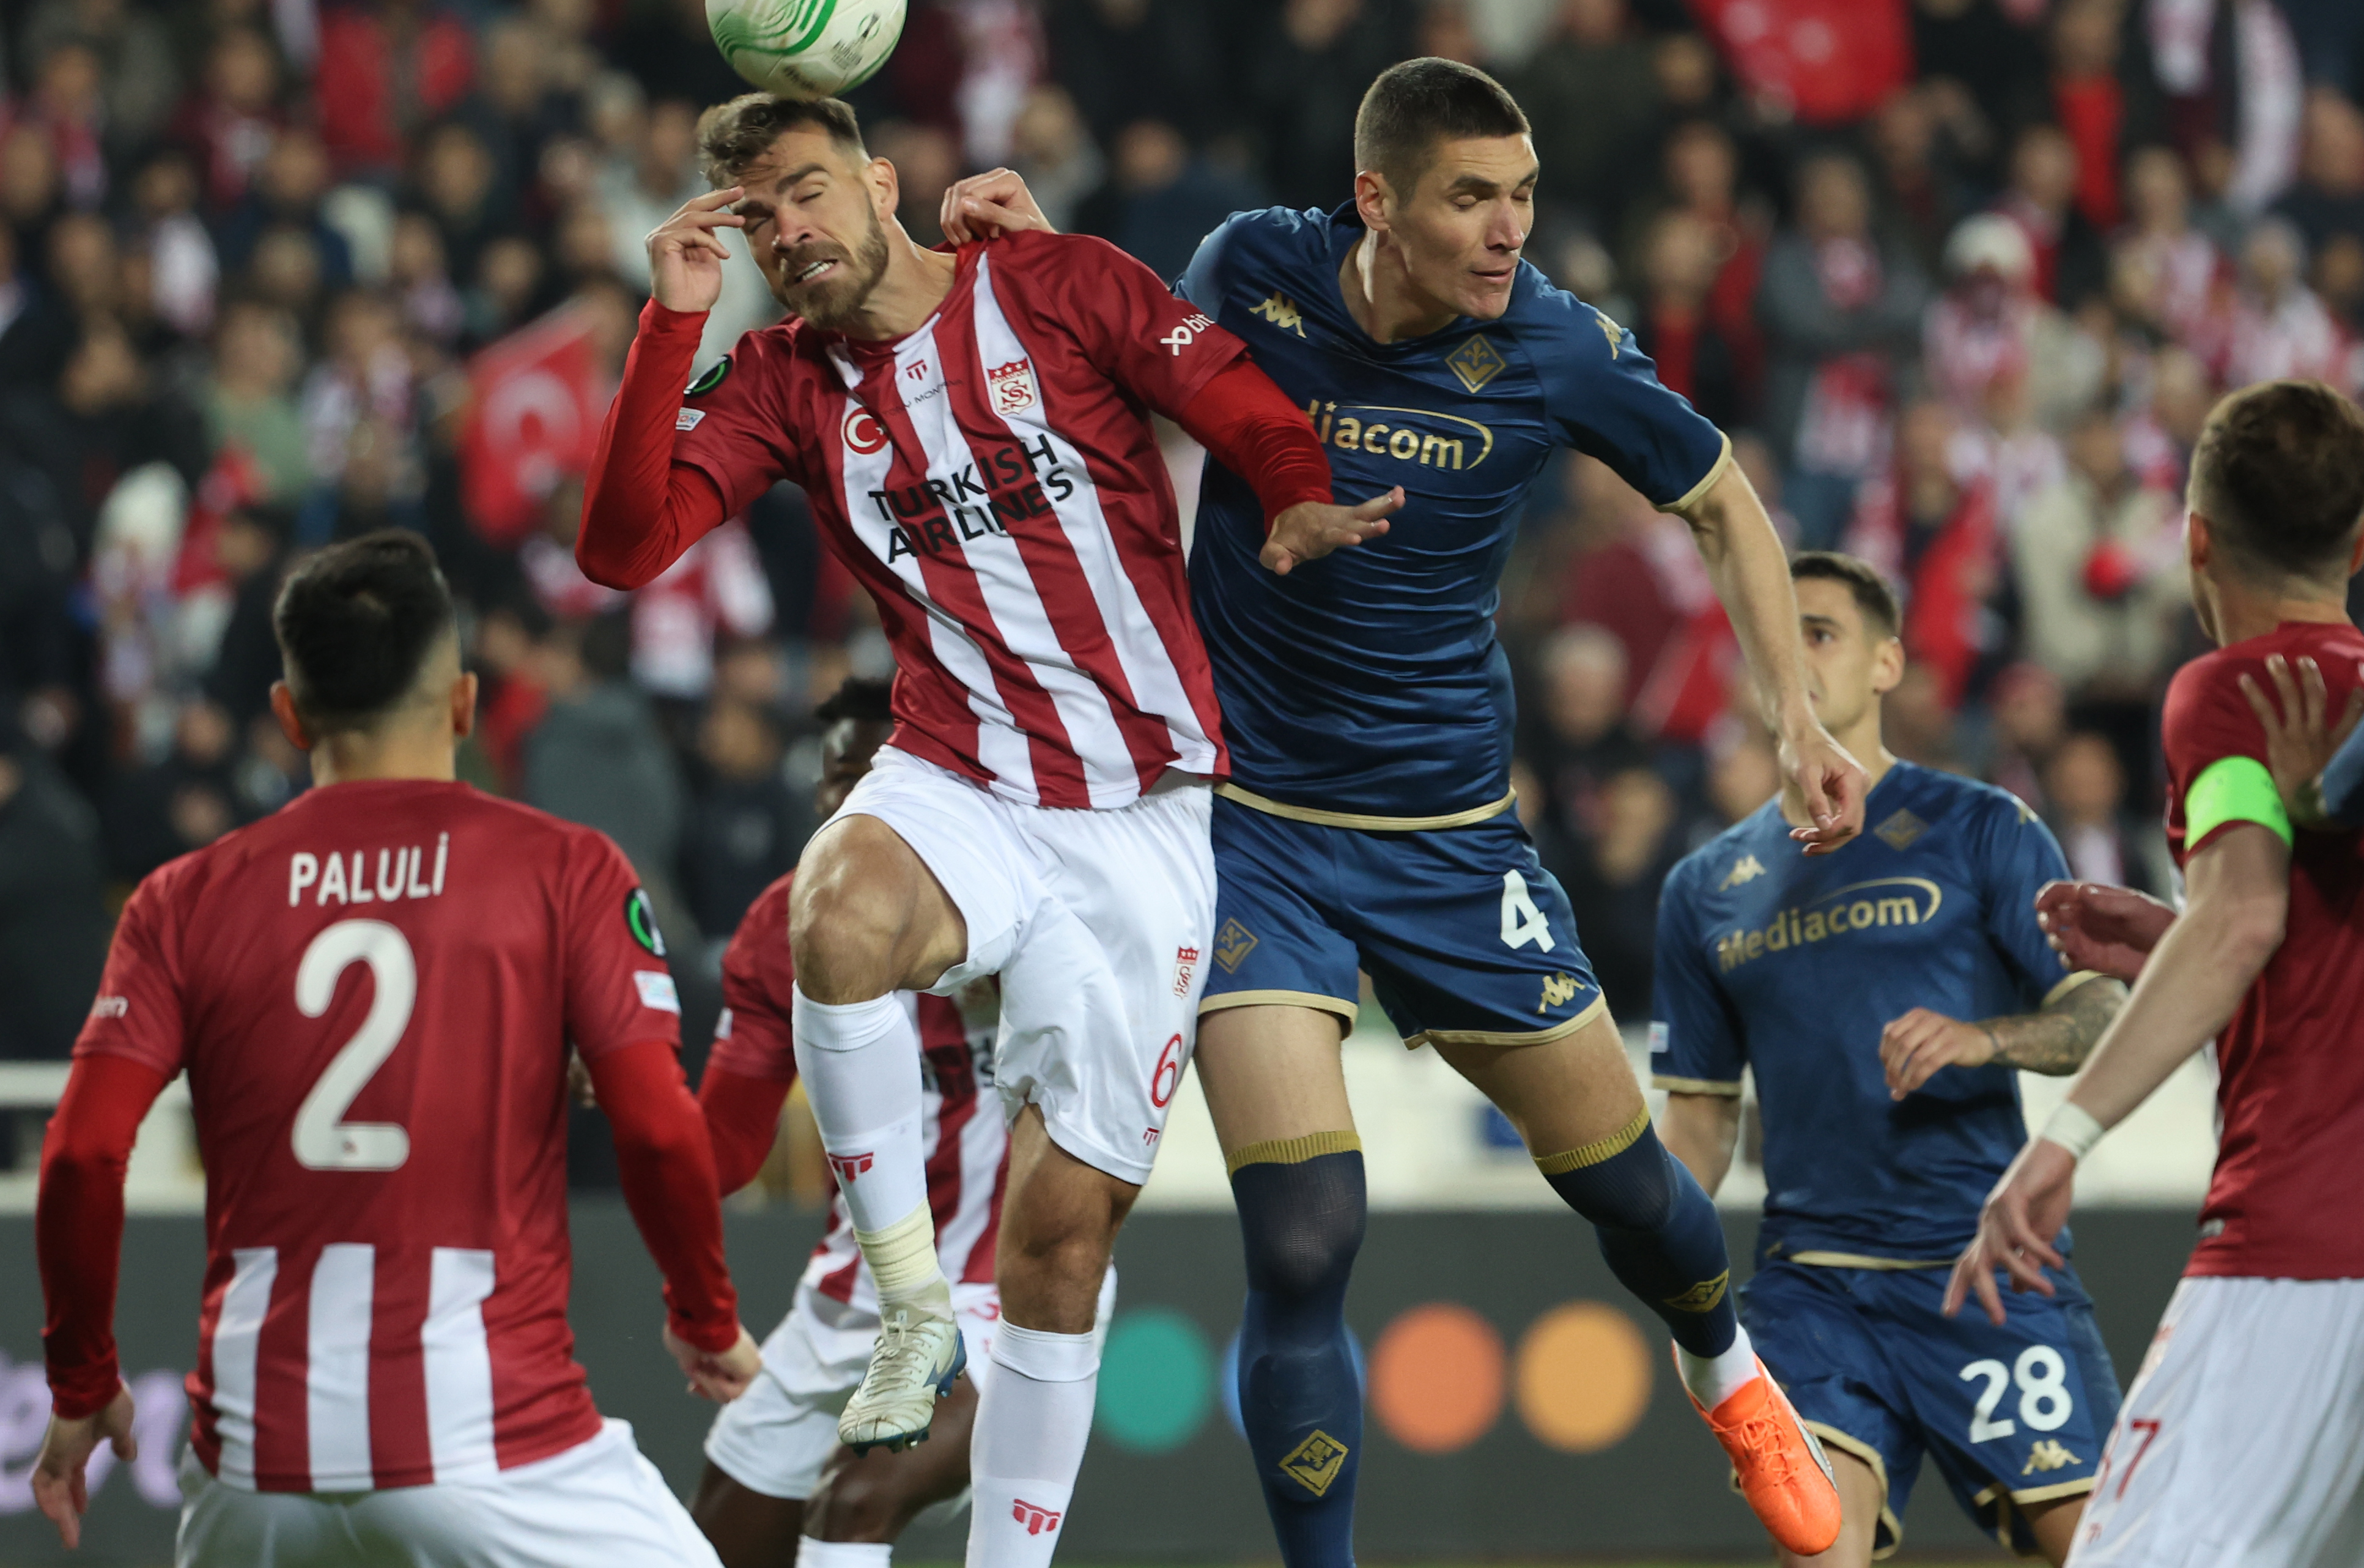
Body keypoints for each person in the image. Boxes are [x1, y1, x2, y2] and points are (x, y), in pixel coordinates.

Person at [942, 56, 1867, 1564]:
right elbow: (1135, 369)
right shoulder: (1253, 267)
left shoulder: (1558, 347)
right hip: (1248, 827)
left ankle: (1731, 1373)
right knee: (1303, 1238)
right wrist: (1042, 253)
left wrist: (1794, 714)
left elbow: (1718, 498)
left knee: (1636, 1197)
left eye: (1522, 198)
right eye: (1470, 200)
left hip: (1447, 836)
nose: (1508, 232)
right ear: (1375, 200)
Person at [574, 91, 1383, 1567]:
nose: (788, 233)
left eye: (807, 193)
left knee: (1063, 1247)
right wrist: (668, 326)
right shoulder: (777, 382)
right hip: (962, 769)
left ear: (883, 182)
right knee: (836, 910)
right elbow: (622, 548)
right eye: (758, 217)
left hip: (1143, 812)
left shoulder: (1058, 284)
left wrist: (1298, 490)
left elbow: (1236, 400)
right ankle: (904, 1302)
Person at [28, 529, 758, 1564]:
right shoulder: (567, 870)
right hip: (494, 1436)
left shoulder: (179, 899)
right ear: (462, 703)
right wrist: (705, 1311)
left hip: (252, 1465)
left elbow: (80, 1152)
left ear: (288, 718)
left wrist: (83, 1379)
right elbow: (654, 1122)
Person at [1952, 380, 2364, 1568]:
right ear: (2359, 543)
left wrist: (2059, 1138)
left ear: (2194, 539)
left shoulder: (2240, 695)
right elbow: (2352, 944)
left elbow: (2244, 913)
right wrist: (2174, 937)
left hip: (2321, 1217)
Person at [1657, 552, 2127, 1567]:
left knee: (2109, 1550)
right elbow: (1695, 1118)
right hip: (1812, 1288)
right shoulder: (1703, 887)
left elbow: (2102, 1009)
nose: (1792, 653)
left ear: (1886, 663)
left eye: (1819, 631)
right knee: (1818, 1551)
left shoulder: (1982, 828)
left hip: (1981, 1265)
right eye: (1775, 637)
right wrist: (1671, 1280)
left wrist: (1984, 1036)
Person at [690, 677, 1111, 1568]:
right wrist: (631, 1086)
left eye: (879, 775)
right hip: (845, 1297)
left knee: (853, 1502)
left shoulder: (1040, 904)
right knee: (720, 1545)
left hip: (1001, 1291)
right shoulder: (784, 925)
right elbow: (722, 1150)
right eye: (837, 785)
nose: (856, 808)